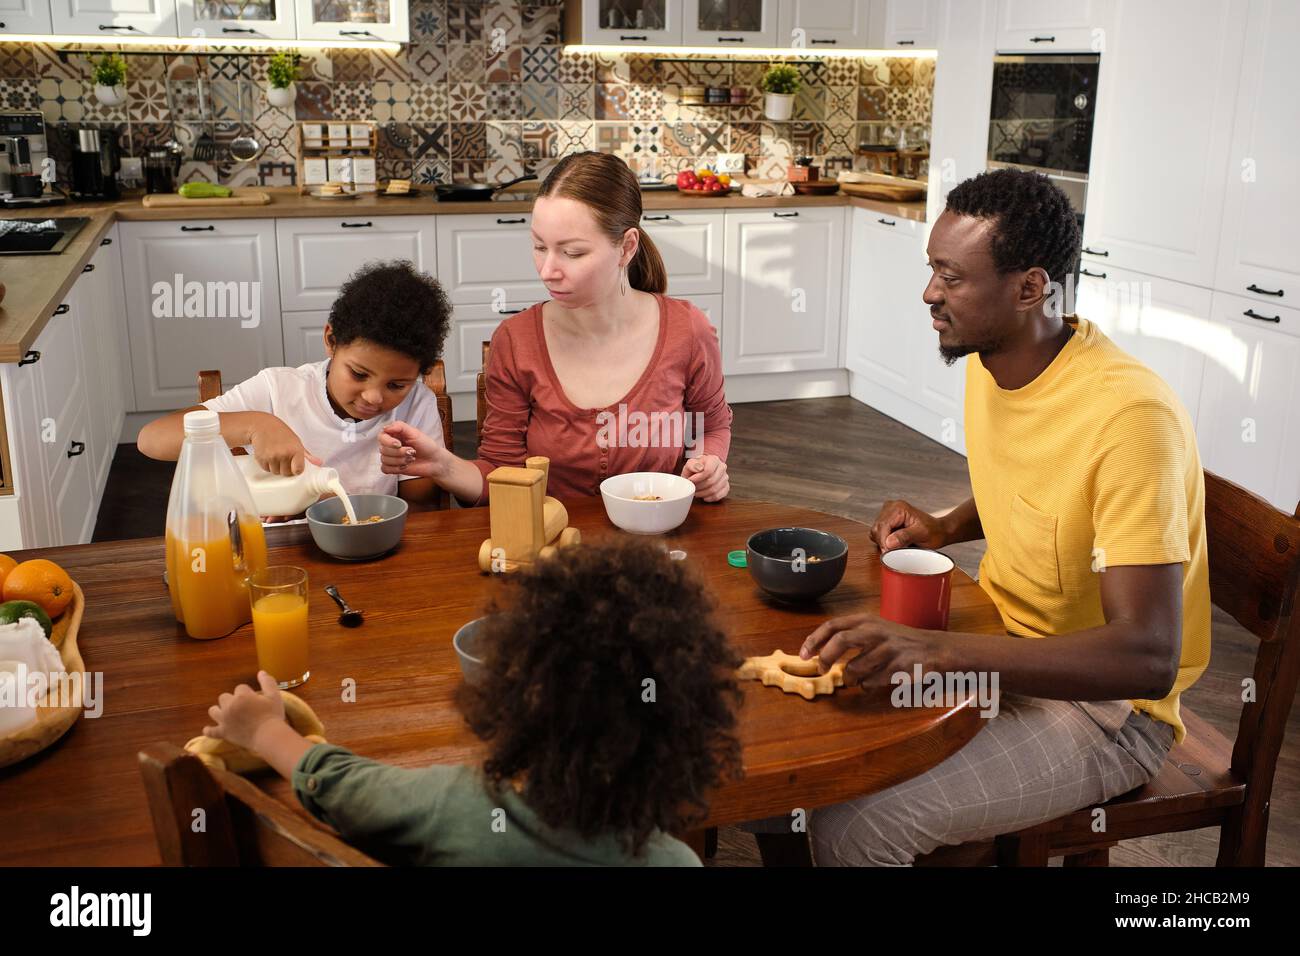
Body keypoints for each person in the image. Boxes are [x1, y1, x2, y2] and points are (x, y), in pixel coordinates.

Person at [794, 168, 1210, 866]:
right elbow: (1042, 486)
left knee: (857, 825)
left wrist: (938, 650)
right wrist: (948, 526)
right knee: (810, 746)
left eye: (951, 278)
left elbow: (1148, 657)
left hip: (1108, 714)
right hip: (1002, 648)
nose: (929, 293)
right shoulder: (1001, 360)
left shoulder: (1129, 416)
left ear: (1029, 287)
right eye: (932, 269)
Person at [202, 539, 743, 866]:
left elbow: (342, 787)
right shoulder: (673, 861)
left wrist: (264, 731)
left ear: (510, 695)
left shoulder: (455, 807)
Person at [378, 151, 733, 505]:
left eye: (573, 253)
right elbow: (503, 474)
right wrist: (443, 466)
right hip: (552, 546)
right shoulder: (517, 341)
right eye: (539, 246)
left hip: (657, 539)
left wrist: (708, 465)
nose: (547, 270)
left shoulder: (687, 330)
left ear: (626, 247)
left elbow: (711, 426)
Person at [137, 261, 451, 509]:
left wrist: (410, 462)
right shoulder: (278, 390)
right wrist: (254, 425)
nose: (373, 396)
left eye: (396, 385)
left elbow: (421, 504)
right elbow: (152, 439)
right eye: (358, 374)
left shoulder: (416, 405)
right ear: (331, 340)